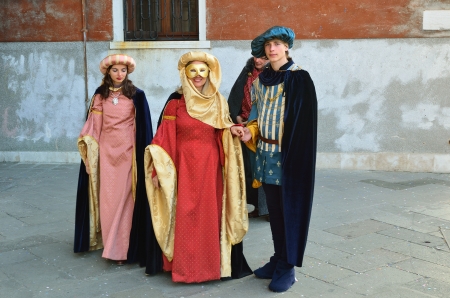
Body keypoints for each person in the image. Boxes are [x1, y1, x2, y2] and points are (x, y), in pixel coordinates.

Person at [144, 51, 252, 283]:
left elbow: (223, 127)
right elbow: (163, 138)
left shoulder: (217, 100)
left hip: (210, 168)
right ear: (185, 73)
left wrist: (233, 129)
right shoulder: (175, 103)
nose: (198, 76)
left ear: (210, 74)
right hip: (184, 166)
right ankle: (185, 269)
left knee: (208, 216)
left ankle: (209, 267)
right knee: (185, 214)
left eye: (202, 71)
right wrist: (156, 170)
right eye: (193, 71)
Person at [240, 26, 317, 292]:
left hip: (290, 157)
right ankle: (278, 258)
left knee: (289, 211)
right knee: (274, 211)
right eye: (268, 45)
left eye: (277, 44)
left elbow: (304, 125)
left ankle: (288, 265)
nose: (272, 49)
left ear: (287, 47)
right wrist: (246, 130)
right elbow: (256, 116)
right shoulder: (261, 80)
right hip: (265, 154)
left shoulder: (299, 78)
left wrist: (294, 157)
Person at [74, 54, 162, 275]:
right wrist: (89, 151)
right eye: (115, 70)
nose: (119, 74)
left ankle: (121, 249)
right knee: (109, 200)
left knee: (126, 199)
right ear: (108, 72)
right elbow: (94, 126)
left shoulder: (136, 95)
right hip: (106, 154)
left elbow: (143, 128)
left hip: (128, 155)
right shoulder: (100, 95)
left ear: (128, 72)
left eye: (123, 70)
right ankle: (109, 242)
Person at [228, 56, 269, 218]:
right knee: (249, 168)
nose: (258, 60)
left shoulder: (273, 76)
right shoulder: (247, 73)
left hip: (264, 128)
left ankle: (269, 209)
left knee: (265, 168)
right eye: (256, 57)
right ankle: (257, 206)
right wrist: (237, 117)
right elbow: (235, 97)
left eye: (263, 58)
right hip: (244, 126)